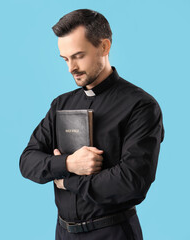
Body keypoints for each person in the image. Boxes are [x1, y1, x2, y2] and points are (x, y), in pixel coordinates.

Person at [19, 9, 164, 240]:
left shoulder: (141, 105)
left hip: (113, 233)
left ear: (104, 47)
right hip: (63, 233)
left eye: (78, 56)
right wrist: (69, 162)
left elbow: (132, 182)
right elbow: (27, 161)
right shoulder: (60, 104)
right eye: (65, 59)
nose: (71, 68)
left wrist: (68, 180)